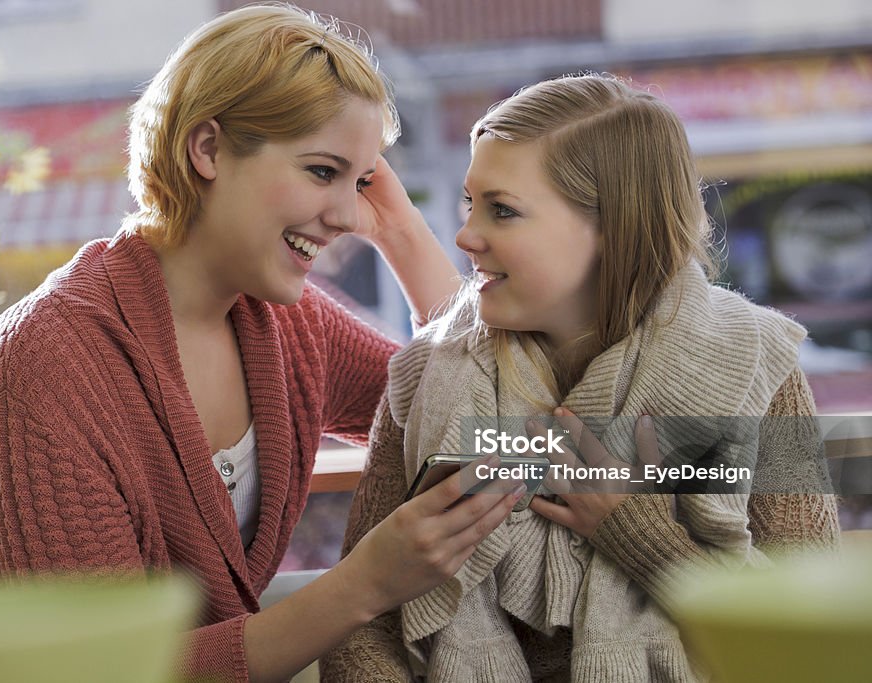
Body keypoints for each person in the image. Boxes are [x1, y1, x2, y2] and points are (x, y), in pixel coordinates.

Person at [0, 5, 526, 682]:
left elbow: (486, 420)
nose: (344, 215)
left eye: (360, 181)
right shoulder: (42, 368)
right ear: (209, 149)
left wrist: (405, 236)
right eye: (320, 171)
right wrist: (363, 584)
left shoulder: (288, 326)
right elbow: (112, 667)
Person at [321, 74, 841, 681]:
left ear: (614, 227)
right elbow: (361, 628)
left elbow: (816, 635)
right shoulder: (425, 374)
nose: (465, 235)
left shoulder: (759, 366)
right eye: (470, 203)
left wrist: (631, 529)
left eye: (503, 210)